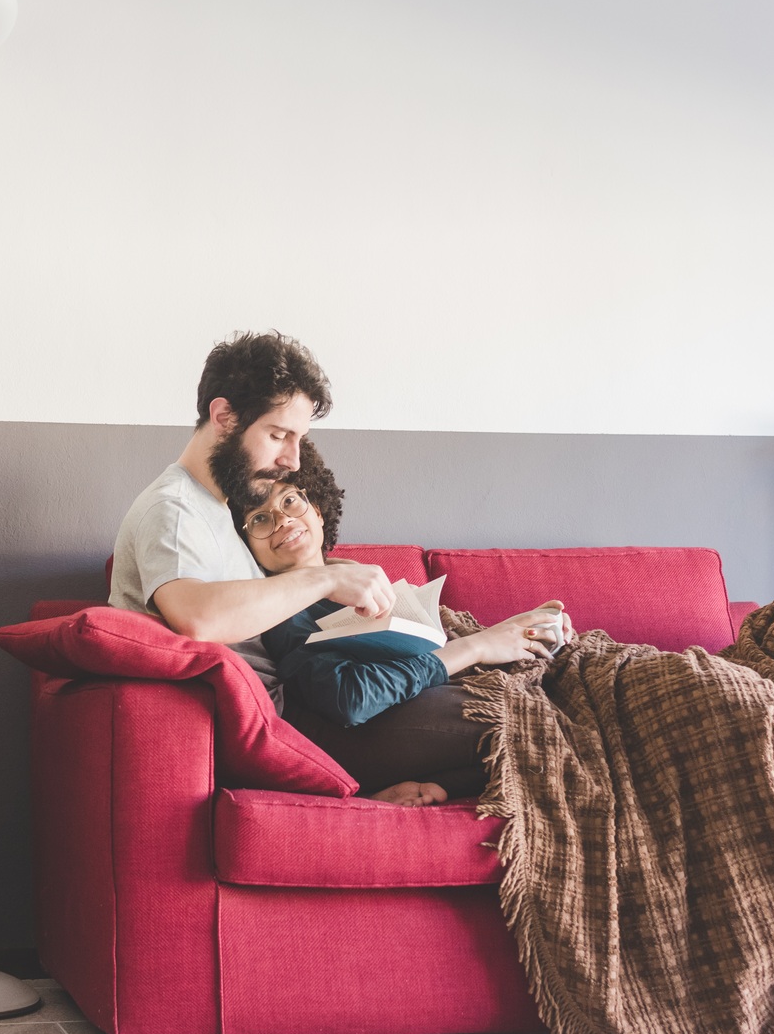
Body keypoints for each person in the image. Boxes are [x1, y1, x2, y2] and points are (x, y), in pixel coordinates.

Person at [236, 445, 566, 806]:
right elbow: (351, 698)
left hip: (413, 715)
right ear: (248, 545)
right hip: (361, 733)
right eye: (260, 519)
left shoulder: (360, 580)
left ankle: (433, 786)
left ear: (315, 510)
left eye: (289, 501)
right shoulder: (281, 613)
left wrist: (526, 631)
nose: (282, 520)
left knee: (558, 686)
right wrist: (476, 647)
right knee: (535, 720)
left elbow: (427, 651)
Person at [109, 332, 397, 709]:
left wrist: (338, 571)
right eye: (278, 435)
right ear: (224, 418)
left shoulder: (218, 507)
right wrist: (327, 580)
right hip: (260, 720)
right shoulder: (174, 509)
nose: (293, 460)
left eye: (298, 439)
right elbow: (197, 619)